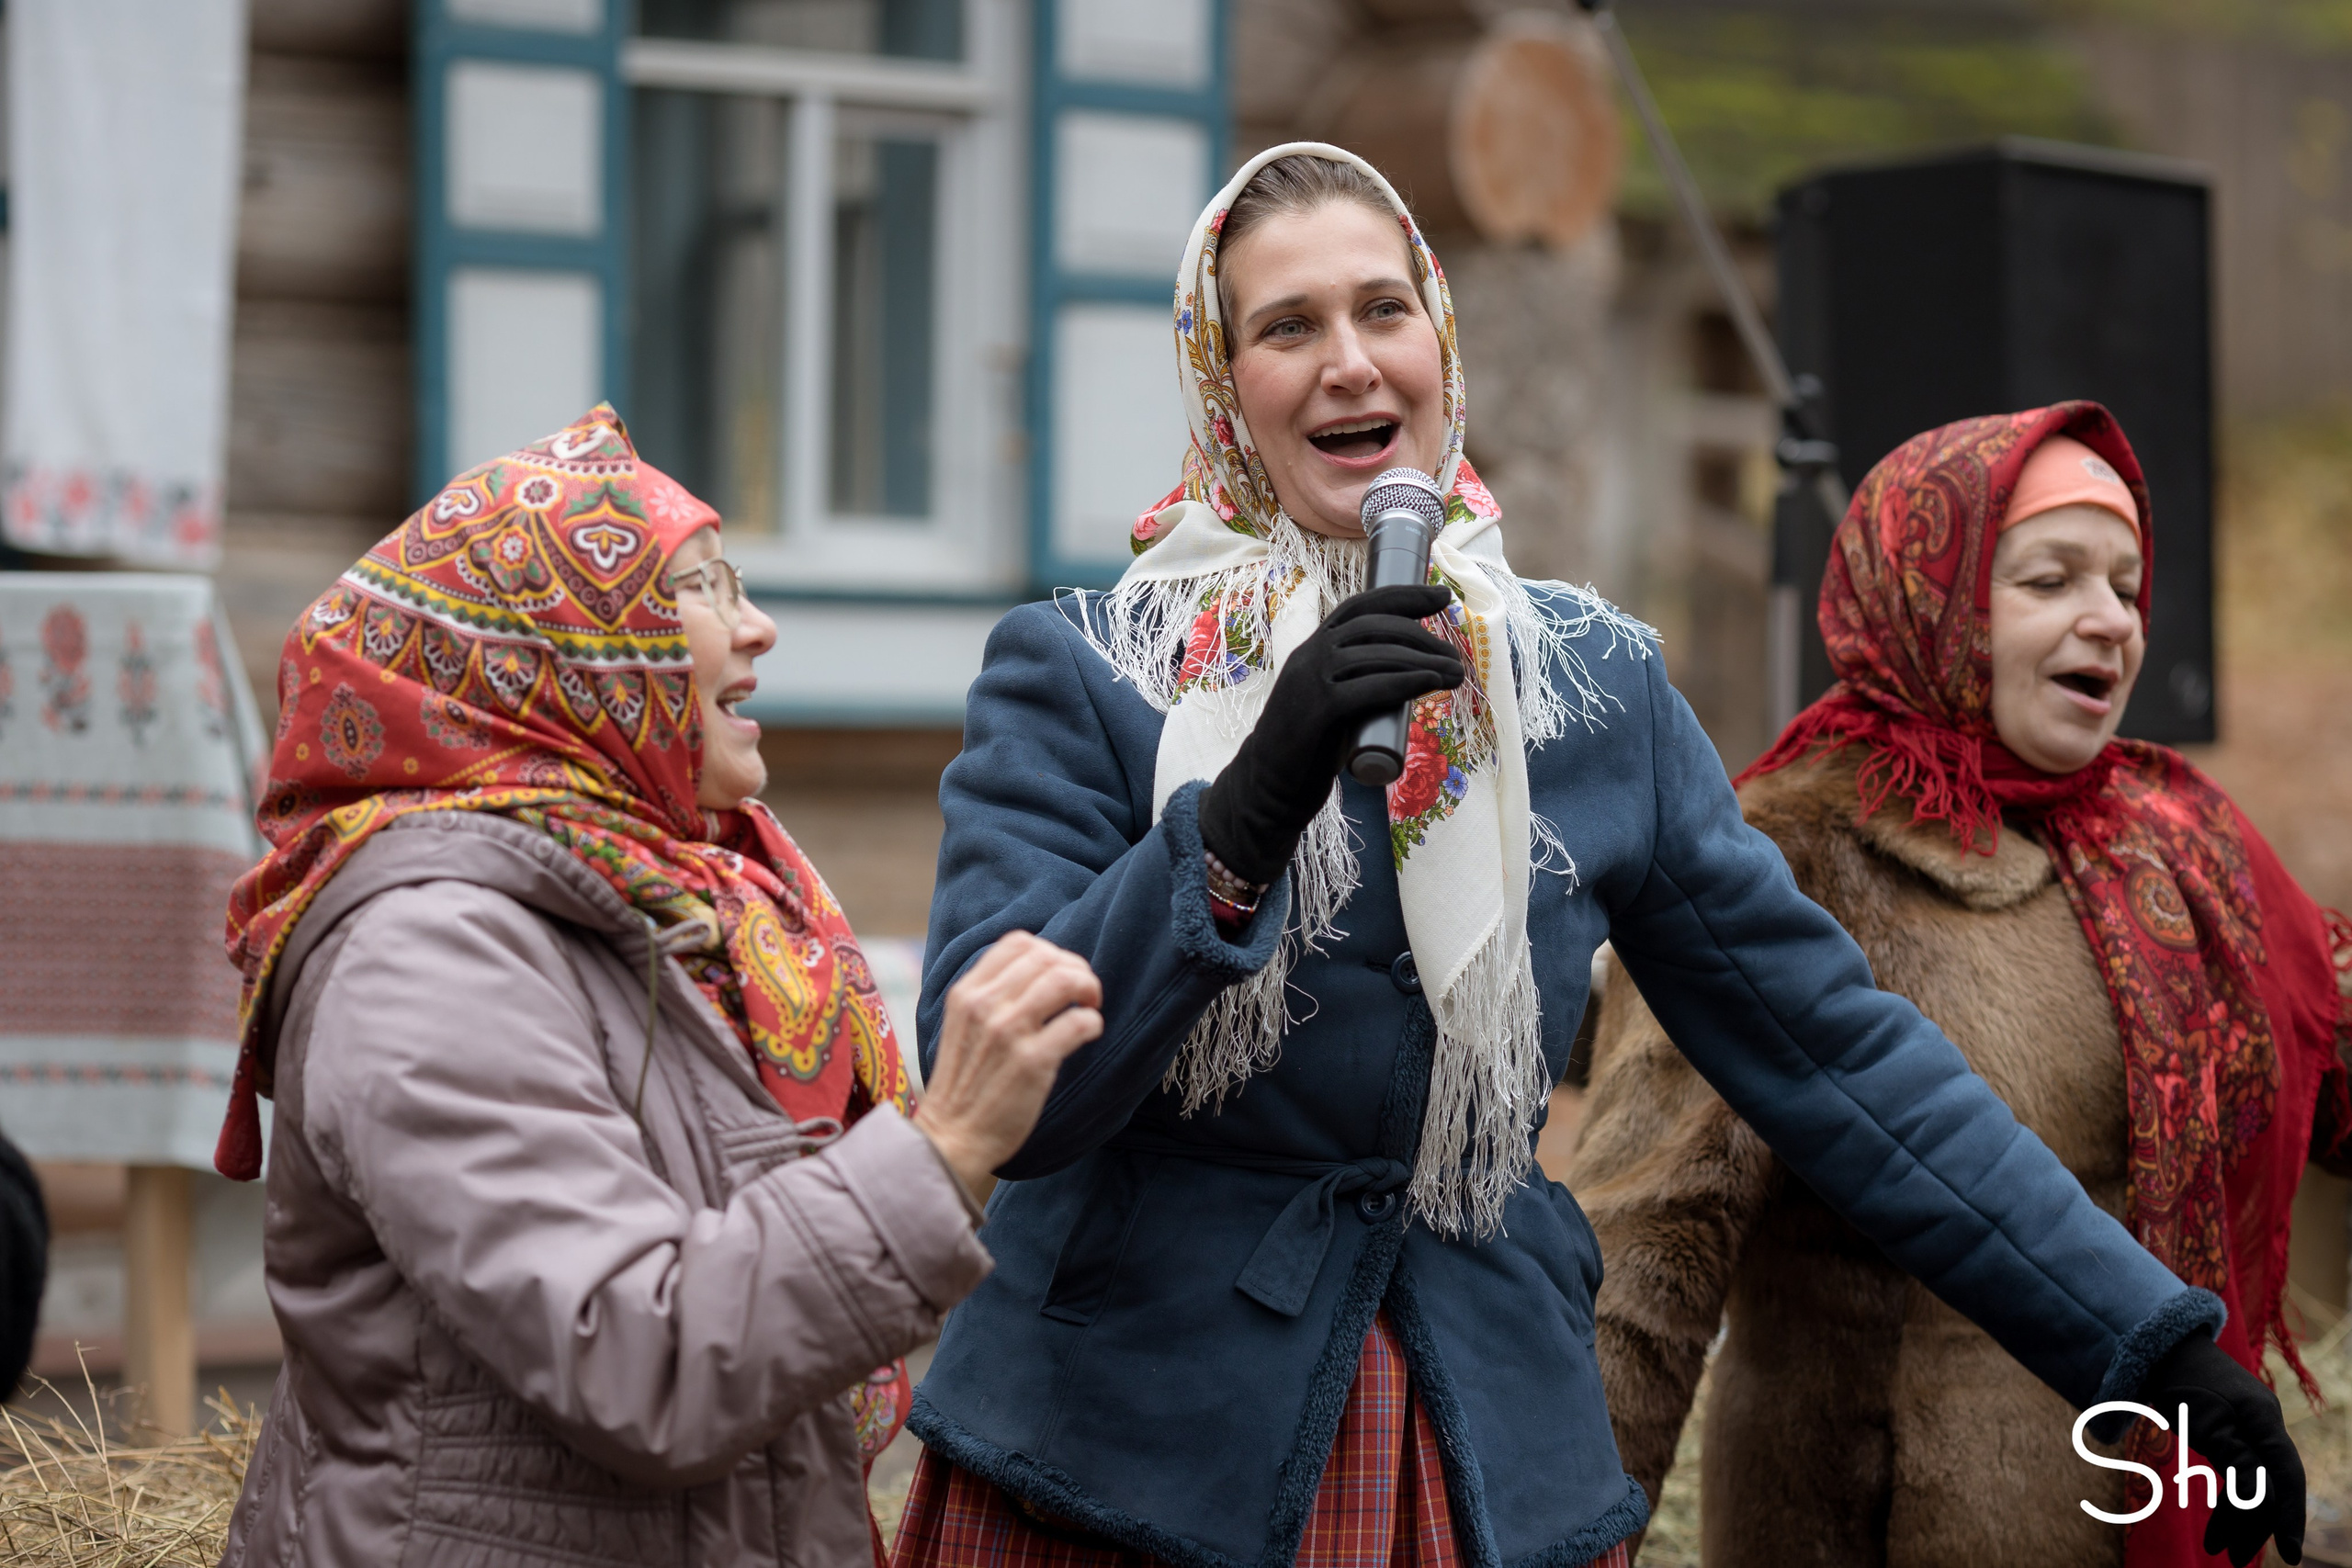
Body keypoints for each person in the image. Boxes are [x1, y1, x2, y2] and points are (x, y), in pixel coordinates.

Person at [891, 145, 2306, 1568]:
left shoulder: (1588, 686)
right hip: (1128, 1443)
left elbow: (1835, 1052)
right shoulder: (1083, 670)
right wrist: (1249, 807)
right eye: (1287, 327)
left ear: (1440, 343)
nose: (1350, 364)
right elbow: (996, 1076)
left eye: (1386, 312)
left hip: (1480, 1444)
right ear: (1219, 378)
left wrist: (2139, 1333)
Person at [209, 408, 1103, 1566]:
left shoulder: (671, 902)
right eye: (699, 590)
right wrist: (946, 1150)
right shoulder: (424, 954)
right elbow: (647, 1360)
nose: (759, 627)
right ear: (562, 651)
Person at [1573, 404, 2352, 1567]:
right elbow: (1641, 1269)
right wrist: (1573, 1534)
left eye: (2128, 588)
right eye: (2050, 579)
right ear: (1928, 598)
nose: (2110, 621)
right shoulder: (1782, 858)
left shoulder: (2171, 841)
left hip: (2162, 1521)